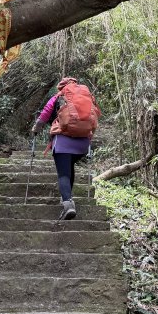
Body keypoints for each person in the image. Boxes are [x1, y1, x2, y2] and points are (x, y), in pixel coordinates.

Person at [31, 77, 98, 220]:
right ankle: (68, 196)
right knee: (69, 167)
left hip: (62, 141)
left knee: (63, 174)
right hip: (82, 143)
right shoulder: (86, 95)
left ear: (61, 86)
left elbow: (45, 115)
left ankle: (67, 204)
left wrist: (36, 128)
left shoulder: (59, 96)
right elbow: (94, 115)